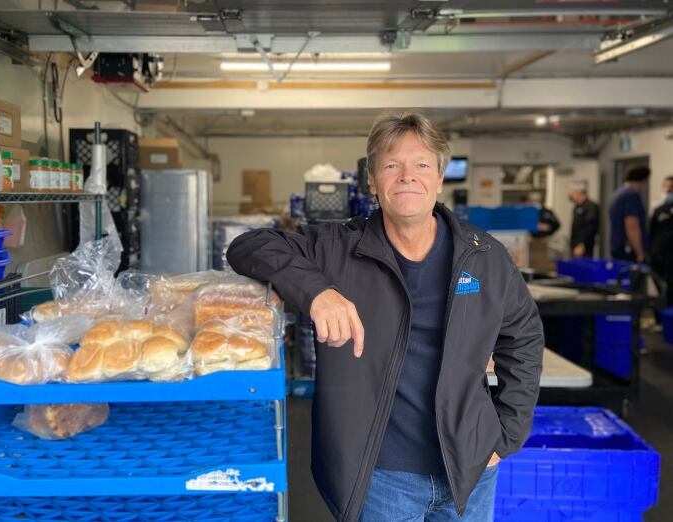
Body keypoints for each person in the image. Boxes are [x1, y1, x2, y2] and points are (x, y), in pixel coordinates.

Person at [227, 112, 544, 522]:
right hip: (382, 476)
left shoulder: (485, 257)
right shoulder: (338, 248)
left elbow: (524, 341)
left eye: (422, 165)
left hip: (471, 468)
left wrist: (506, 435)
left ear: (440, 178)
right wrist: (318, 292)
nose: (407, 176)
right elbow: (247, 247)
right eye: (392, 165)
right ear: (372, 181)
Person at [609, 166, 650, 262]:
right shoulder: (631, 196)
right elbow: (632, 227)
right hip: (629, 250)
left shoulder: (618, 194)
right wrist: (640, 253)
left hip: (617, 247)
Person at [650, 176, 673, 305]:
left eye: (671, 187)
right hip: (659, 257)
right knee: (660, 289)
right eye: (666, 187)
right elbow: (652, 232)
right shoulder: (659, 210)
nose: (668, 190)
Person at [568, 182, 600, 258]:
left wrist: (582, 244)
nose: (570, 195)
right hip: (575, 245)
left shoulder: (591, 207)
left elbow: (591, 227)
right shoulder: (577, 207)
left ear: (579, 192)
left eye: (572, 192)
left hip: (584, 247)